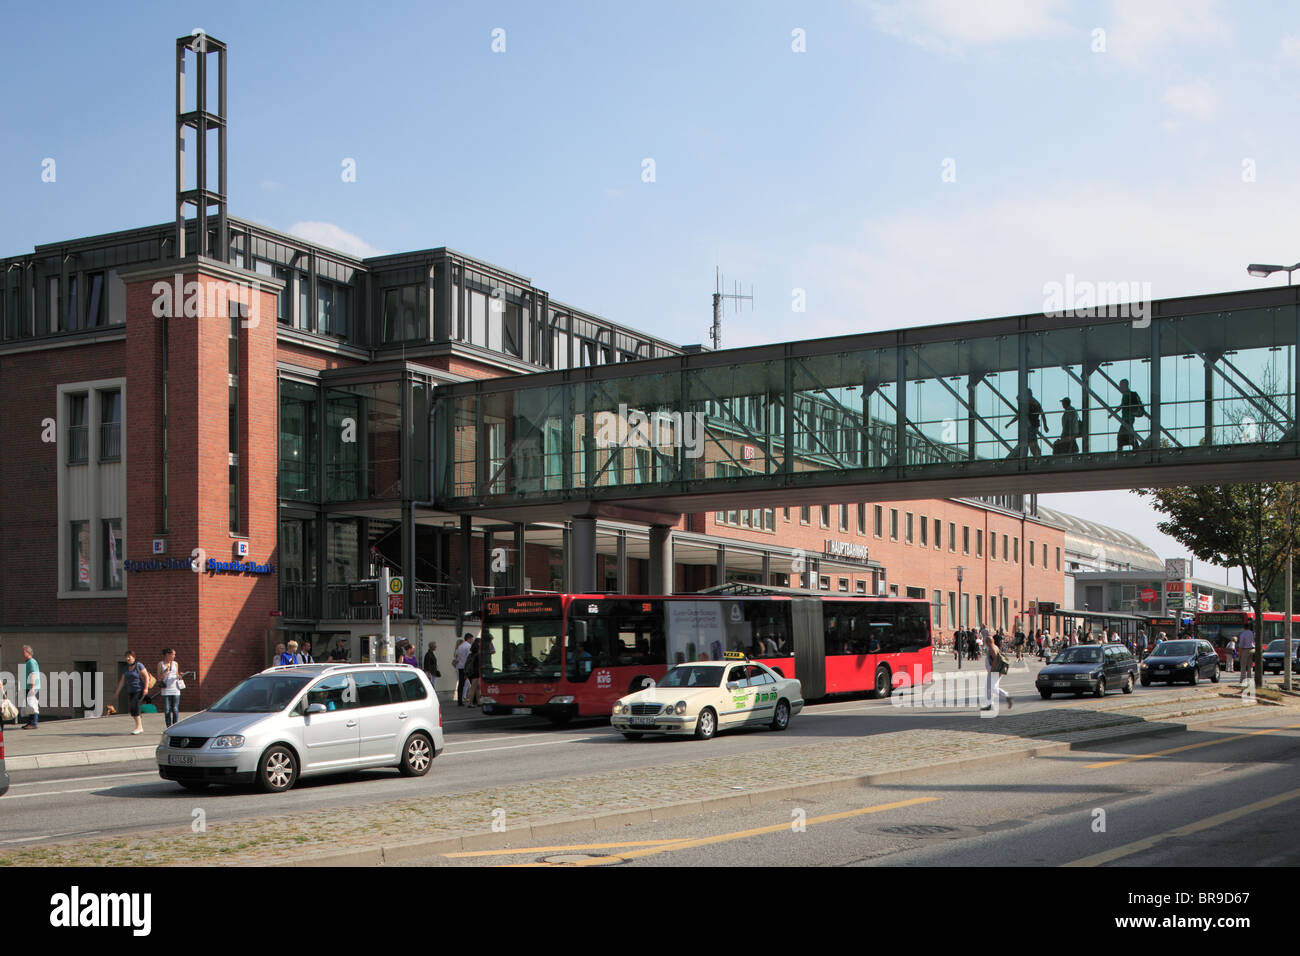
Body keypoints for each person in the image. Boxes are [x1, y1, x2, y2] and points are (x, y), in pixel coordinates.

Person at [111, 651, 152, 735]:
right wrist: (117, 692)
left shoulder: (139, 665)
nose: (127, 658)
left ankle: (139, 727)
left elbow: (146, 677)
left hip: (139, 689)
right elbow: (122, 681)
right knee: (133, 709)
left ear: (134, 657)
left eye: (129, 656)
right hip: (130, 690)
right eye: (126, 657)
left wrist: (146, 688)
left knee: (134, 706)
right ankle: (139, 726)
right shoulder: (126, 668)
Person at [1006, 389, 1049, 457]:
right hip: (1032, 426)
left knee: (1031, 444)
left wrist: (1009, 423)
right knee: (1032, 443)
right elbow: (1042, 414)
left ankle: (1037, 456)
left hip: (1030, 426)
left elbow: (1019, 415)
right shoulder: (1034, 402)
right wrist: (1045, 425)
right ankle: (1037, 456)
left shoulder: (1030, 403)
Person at [982, 636, 1013, 713]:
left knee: (992, 687)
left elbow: (995, 659)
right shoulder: (994, 647)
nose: (985, 643)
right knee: (988, 688)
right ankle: (989, 704)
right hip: (994, 670)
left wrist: (992, 670)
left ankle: (1007, 696)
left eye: (986, 641)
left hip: (994, 671)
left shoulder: (992, 648)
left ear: (988, 642)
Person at [1116, 378, 1147, 451]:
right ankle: (1135, 447)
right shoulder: (1126, 394)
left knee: (1121, 436)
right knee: (1128, 434)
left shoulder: (1128, 394)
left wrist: (1114, 412)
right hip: (1127, 418)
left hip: (1128, 419)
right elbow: (1122, 405)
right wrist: (1113, 413)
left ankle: (1124, 450)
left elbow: (1122, 405)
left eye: (1121, 385)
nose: (1120, 387)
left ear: (1125, 385)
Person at [156, 647, 183, 728]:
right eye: (172, 654)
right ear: (167, 655)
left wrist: (180, 675)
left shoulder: (175, 663)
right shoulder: (161, 664)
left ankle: (175, 725)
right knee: (167, 709)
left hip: (175, 688)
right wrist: (165, 672)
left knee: (175, 708)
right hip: (166, 689)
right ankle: (168, 726)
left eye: (174, 654)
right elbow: (159, 678)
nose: (174, 656)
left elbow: (177, 675)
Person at [19, 645, 40, 730]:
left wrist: (32, 687)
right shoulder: (28, 661)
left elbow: (33, 674)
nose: (22, 653)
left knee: (32, 704)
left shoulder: (31, 662)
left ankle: (33, 723)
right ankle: (30, 722)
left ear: (28, 652)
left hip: (32, 686)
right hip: (29, 686)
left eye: (24, 651)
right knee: (30, 704)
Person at [454, 633, 473, 706]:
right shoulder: (468, 646)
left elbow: (458, 657)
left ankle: (460, 701)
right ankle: (473, 700)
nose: (472, 640)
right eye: (471, 639)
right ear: (468, 638)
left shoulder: (460, 646)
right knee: (473, 683)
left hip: (460, 667)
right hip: (467, 667)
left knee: (461, 684)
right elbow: (469, 658)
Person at [464, 637, 482, 707]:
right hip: (476, 672)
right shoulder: (478, 655)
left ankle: (478, 702)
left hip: (471, 673)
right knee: (473, 688)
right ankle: (470, 703)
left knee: (477, 687)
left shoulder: (470, 655)